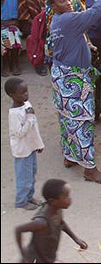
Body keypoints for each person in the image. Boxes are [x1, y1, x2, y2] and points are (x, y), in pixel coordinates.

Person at [48, 0, 101, 184]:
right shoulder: (70, 20)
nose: (68, 3)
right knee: (83, 121)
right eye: (62, 1)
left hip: (63, 75)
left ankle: (70, 156)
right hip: (74, 80)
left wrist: (86, 46)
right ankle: (90, 169)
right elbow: (96, 12)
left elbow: (73, 39)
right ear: (54, 6)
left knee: (67, 120)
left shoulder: (59, 21)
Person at [15, 179, 88, 263]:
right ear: (53, 201)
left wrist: (76, 239)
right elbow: (18, 229)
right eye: (66, 196)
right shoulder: (41, 222)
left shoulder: (57, 210)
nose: (70, 199)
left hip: (48, 257)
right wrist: (23, 255)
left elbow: (61, 223)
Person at [5, 77, 45, 210]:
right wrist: (29, 118)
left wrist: (38, 143)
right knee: (24, 178)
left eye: (26, 91)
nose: (26, 94)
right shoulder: (14, 114)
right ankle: (21, 201)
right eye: (22, 93)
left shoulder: (27, 105)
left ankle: (29, 197)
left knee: (32, 174)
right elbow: (20, 132)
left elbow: (34, 127)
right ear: (12, 95)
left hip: (30, 147)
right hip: (22, 150)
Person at [18, 0, 49, 75]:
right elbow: (24, 16)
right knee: (35, 34)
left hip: (49, 21)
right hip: (32, 23)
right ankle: (38, 63)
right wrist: (39, 25)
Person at [1, 0, 22, 76]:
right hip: (4, 27)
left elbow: (16, 20)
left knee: (13, 33)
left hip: (11, 25)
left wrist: (6, 23)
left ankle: (14, 62)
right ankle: (5, 63)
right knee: (4, 34)